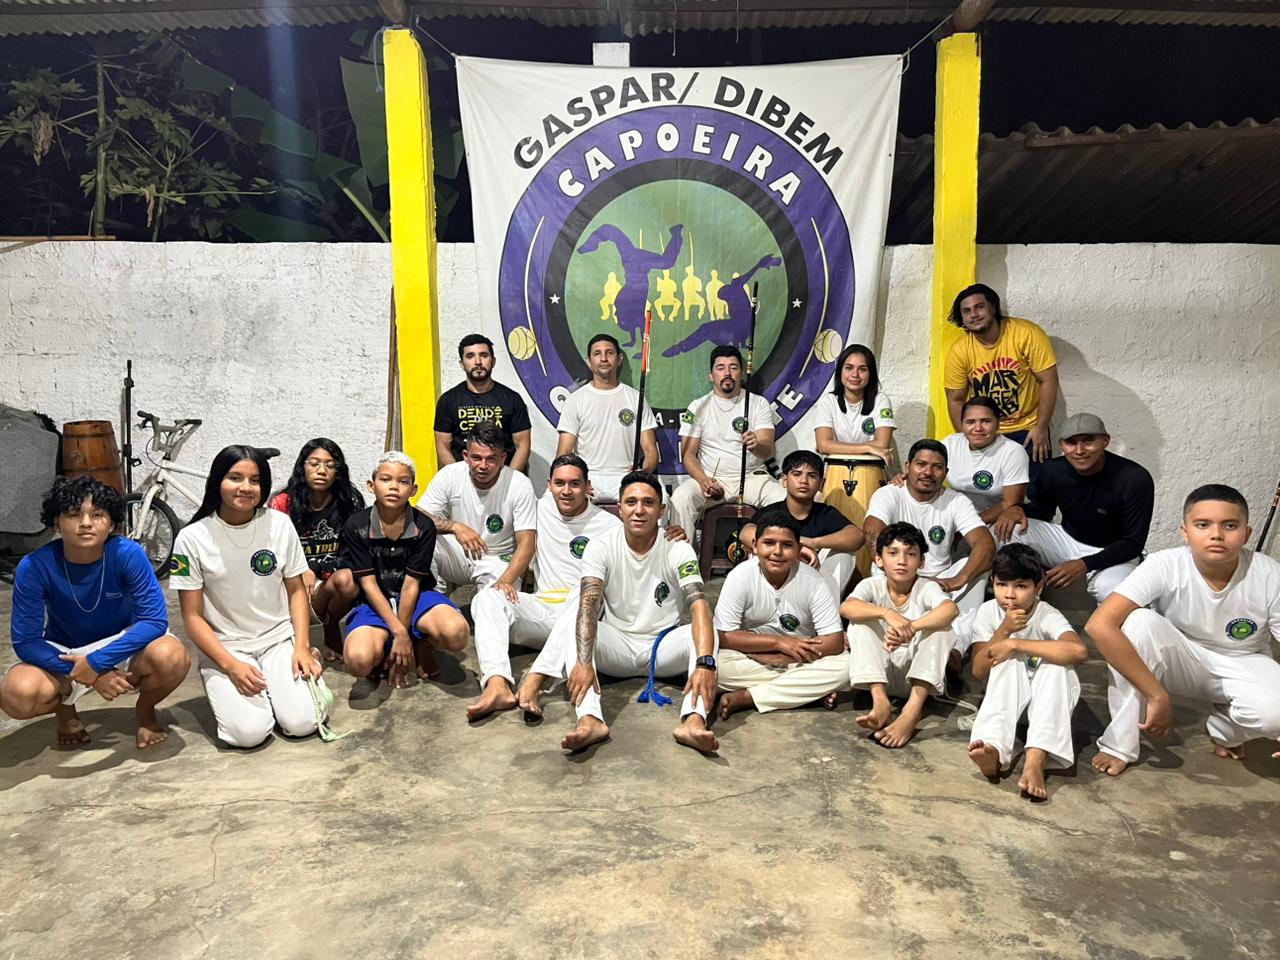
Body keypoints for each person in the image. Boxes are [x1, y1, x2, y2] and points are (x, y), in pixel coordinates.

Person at [1089, 484, 1280, 776]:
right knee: (1138, 622)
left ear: (1247, 533)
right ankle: (1119, 745)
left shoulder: (1269, 572)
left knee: (1275, 714)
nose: (1216, 534)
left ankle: (1224, 730)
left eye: (1230, 525)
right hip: (1180, 658)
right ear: (1185, 532)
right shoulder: (1165, 564)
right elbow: (1099, 625)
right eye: (1203, 525)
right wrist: (1156, 695)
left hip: (1245, 660)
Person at [1, 477, 189, 749]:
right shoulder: (34, 566)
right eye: (73, 514)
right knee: (17, 695)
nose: (86, 523)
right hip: (65, 650)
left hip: (123, 641)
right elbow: (26, 641)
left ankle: (145, 712)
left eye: (97, 515)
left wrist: (98, 662)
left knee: (171, 656)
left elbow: (154, 620)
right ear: (56, 523)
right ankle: (65, 710)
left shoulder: (127, 554)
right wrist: (93, 671)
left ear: (111, 524)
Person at [541, 471, 719, 754]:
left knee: (706, 629)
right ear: (620, 508)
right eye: (631, 502)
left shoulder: (678, 549)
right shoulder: (600, 546)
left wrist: (705, 664)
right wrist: (584, 663)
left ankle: (694, 721)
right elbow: (589, 604)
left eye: (648, 503)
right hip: (618, 648)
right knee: (579, 622)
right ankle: (589, 719)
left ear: (661, 510)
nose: (639, 510)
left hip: (663, 649)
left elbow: (698, 604)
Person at [170, 446, 327, 749]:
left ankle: (291, 677)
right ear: (217, 481)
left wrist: (302, 646)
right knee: (248, 734)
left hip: (278, 640)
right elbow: (192, 617)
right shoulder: (190, 538)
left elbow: (296, 590)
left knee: (303, 722)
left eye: (255, 480)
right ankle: (237, 685)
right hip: (227, 647)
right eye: (235, 478)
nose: (245, 487)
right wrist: (230, 666)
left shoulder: (280, 524)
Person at [468, 454, 620, 721]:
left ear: (588, 486)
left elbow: (645, 541)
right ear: (549, 484)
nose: (566, 491)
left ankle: (536, 677)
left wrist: (673, 532)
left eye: (575, 484)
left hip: (582, 618)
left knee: (586, 590)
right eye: (559, 483)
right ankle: (496, 683)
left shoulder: (610, 526)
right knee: (487, 598)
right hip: (543, 608)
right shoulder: (537, 510)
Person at [967, 544, 1087, 801]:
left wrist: (1016, 644)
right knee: (1007, 661)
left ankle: (1036, 759)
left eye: (1021, 586)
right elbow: (977, 670)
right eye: (1001, 585)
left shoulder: (1045, 614)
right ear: (992, 583)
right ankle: (993, 749)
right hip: (1005, 703)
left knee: (1056, 666)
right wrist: (1004, 632)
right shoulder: (988, 612)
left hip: (1045, 708)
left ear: (1038, 588)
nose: (1009, 595)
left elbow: (1078, 651)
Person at [341, 452, 470, 690]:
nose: (394, 487)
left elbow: (411, 585)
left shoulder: (424, 526)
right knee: (359, 661)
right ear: (371, 485)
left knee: (457, 633)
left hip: (417, 596)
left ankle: (421, 644)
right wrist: (398, 635)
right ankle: (385, 648)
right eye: (385, 479)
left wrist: (405, 636)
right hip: (374, 600)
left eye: (403, 481)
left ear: (413, 489)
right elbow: (368, 584)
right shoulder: (355, 526)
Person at [1002, 413, 1153, 603]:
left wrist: (1084, 564)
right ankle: (1019, 600)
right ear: (1061, 445)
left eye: (1088, 441)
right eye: (1071, 443)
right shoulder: (1053, 470)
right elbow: (1043, 511)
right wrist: (1018, 509)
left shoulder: (1134, 478)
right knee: (1004, 530)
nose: (1079, 450)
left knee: (1112, 591)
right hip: (1068, 540)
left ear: (1105, 441)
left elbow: (1133, 542)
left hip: (1114, 553)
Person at [862, 439, 995, 654]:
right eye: (921, 464)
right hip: (896, 577)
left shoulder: (955, 501)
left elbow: (985, 545)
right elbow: (872, 531)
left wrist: (956, 580)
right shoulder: (890, 493)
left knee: (977, 570)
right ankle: (891, 639)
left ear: (946, 472)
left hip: (940, 582)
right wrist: (908, 579)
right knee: (881, 568)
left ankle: (956, 650)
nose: (928, 472)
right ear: (908, 467)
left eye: (937, 467)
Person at [714, 511, 846, 721]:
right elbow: (724, 636)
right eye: (769, 543)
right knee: (714, 667)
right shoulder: (740, 576)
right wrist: (779, 643)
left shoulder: (814, 581)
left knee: (847, 667)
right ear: (755, 546)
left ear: (798, 549)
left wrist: (785, 657)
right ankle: (806, 691)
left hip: (799, 659)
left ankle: (749, 697)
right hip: (750, 656)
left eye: (787, 545)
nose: (777, 552)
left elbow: (835, 641)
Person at [842, 523, 959, 748]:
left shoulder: (926, 587)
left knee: (943, 629)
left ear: (921, 561)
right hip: (879, 674)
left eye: (911, 554)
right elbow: (846, 607)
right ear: (879, 559)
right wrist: (887, 614)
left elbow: (950, 610)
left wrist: (910, 628)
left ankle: (911, 712)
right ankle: (880, 702)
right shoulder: (872, 585)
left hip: (917, 677)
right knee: (858, 623)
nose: (902, 561)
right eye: (893, 553)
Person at [669, 345, 784, 534]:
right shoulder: (698, 407)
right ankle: (682, 553)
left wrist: (756, 445)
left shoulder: (758, 403)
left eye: (733, 367)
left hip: (752, 477)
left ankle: (771, 552)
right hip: (712, 478)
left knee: (781, 498)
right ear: (711, 375)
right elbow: (688, 455)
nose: (727, 373)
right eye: (720, 368)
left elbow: (767, 449)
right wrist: (703, 480)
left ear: (742, 373)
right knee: (681, 498)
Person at [269, 439, 364, 661]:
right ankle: (297, 640)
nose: (321, 471)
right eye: (314, 464)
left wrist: (313, 567)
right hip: (291, 582)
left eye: (330, 465)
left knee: (348, 580)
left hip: (329, 579)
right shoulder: (283, 503)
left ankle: (331, 626)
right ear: (303, 467)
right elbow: (275, 551)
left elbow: (353, 553)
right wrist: (299, 570)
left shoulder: (348, 501)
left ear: (338, 471)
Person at [943, 283, 1059, 466]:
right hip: (986, 433)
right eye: (966, 311)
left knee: (1035, 482)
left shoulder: (1026, 333)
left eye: (979, 307)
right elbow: (955, 400)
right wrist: (968, 439)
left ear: (993, 307)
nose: (973, 314)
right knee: (987, 483)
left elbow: (1048, 381)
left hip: (1028, 429)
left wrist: (1041, 427)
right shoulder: (959, 351)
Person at [424, 420, 538, 598]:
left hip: (498, 559)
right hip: (458, 554)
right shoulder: (450, 474)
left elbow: (527, 544)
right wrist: (454, 527)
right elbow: (419, 517)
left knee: (496, 600)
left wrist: (505, 582)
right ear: (466, 456)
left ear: (503, 458)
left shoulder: (519, 484)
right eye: (476, 458)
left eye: (491, 459)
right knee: (419, 539)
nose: (483, 466)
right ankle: (434, 602)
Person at [738, 450, 864, 601]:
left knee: (844, 555)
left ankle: (824, 608)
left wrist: (813, 543)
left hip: (814, 581)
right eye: (797, 474)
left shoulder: (825, 513)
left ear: (821, 484)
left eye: (812, 476)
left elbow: (857, 536)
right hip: (777, 580)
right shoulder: (772, 511)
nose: (804, 481)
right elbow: (745, 533)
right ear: (784, 480)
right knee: (759, 549)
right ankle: (766, 604)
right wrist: (796, 546)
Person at [813, 343, 895, 576]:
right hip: (834, 475)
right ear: (840, 372)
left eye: (862, 369)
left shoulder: (880, 400)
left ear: (871, 373)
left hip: (873, 475)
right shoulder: (829, 402)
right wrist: (868, 446)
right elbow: (823, 444)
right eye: (849, 368)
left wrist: (869, 447)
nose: (855, 375)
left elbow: (883, 444)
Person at [554, 333, 658, 502]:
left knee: (663, 499)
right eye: (597, 353)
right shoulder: (575, 400)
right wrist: (574, 481)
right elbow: (563, 452)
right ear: (589, 361)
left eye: (609, 353)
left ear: (619, 359)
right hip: (586, 477)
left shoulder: (635, 399)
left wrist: (642, 473)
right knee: (548, 502)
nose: (603, 358)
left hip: (625, 476)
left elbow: (651, 451)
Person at [434, 334, 532, 473]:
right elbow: (443, 446)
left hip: (503, 476)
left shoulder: (512, 399)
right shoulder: (448, 401)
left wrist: (507, 480)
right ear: (461, 364)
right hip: (462, 479)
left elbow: (522, 445)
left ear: (493, 361)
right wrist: (460, 479)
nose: (478, 362)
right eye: (470, 356)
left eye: (484, 355)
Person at [942, 397, 1030, 539]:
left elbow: (1010, 503)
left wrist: (967, 525)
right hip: (959, 518)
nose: (978, 428)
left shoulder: (1013, 451)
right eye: (970, 422)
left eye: (986, 421)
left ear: (998, 423)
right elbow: (926, 470)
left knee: (1012, 530)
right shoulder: (950, 443)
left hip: (996, 519)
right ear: (962, 424)